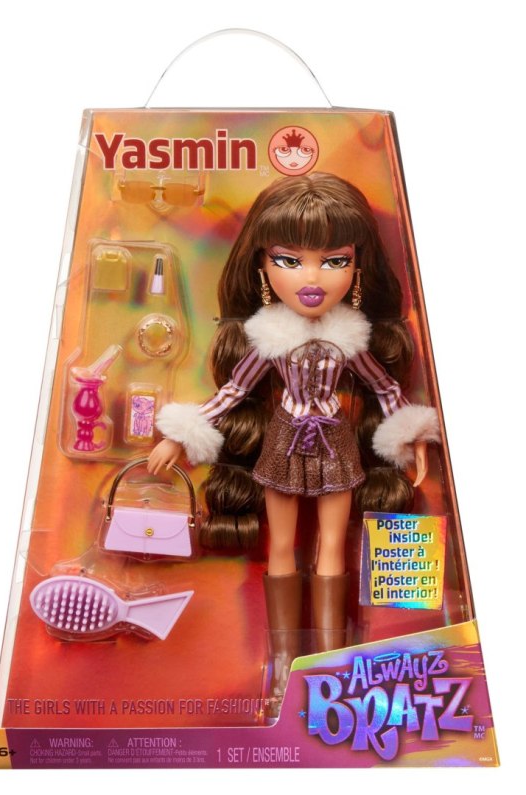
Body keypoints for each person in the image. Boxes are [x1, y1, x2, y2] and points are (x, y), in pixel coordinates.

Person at [147, 172, 439, 710]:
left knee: (331, 548)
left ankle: (329, 670)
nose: (311, 276)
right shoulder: (268, 336)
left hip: (336, 446)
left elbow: (384, 386)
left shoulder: (351, 337)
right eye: (288, 259)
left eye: (334, 260)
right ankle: (284, 671)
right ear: (262, 266)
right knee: (281, 548)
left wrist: (412, 434)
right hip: (282, 443)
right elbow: (234, 391)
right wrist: (180, 436)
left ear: (356, 267)